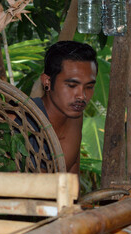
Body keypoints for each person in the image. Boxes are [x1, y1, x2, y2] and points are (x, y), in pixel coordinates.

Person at [32, 41, 97, 174]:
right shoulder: (16, 119)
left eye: (89, 87)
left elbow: (73, 171)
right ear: (47, 82)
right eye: (72, 85)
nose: (82, 96)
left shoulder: (75, 116)